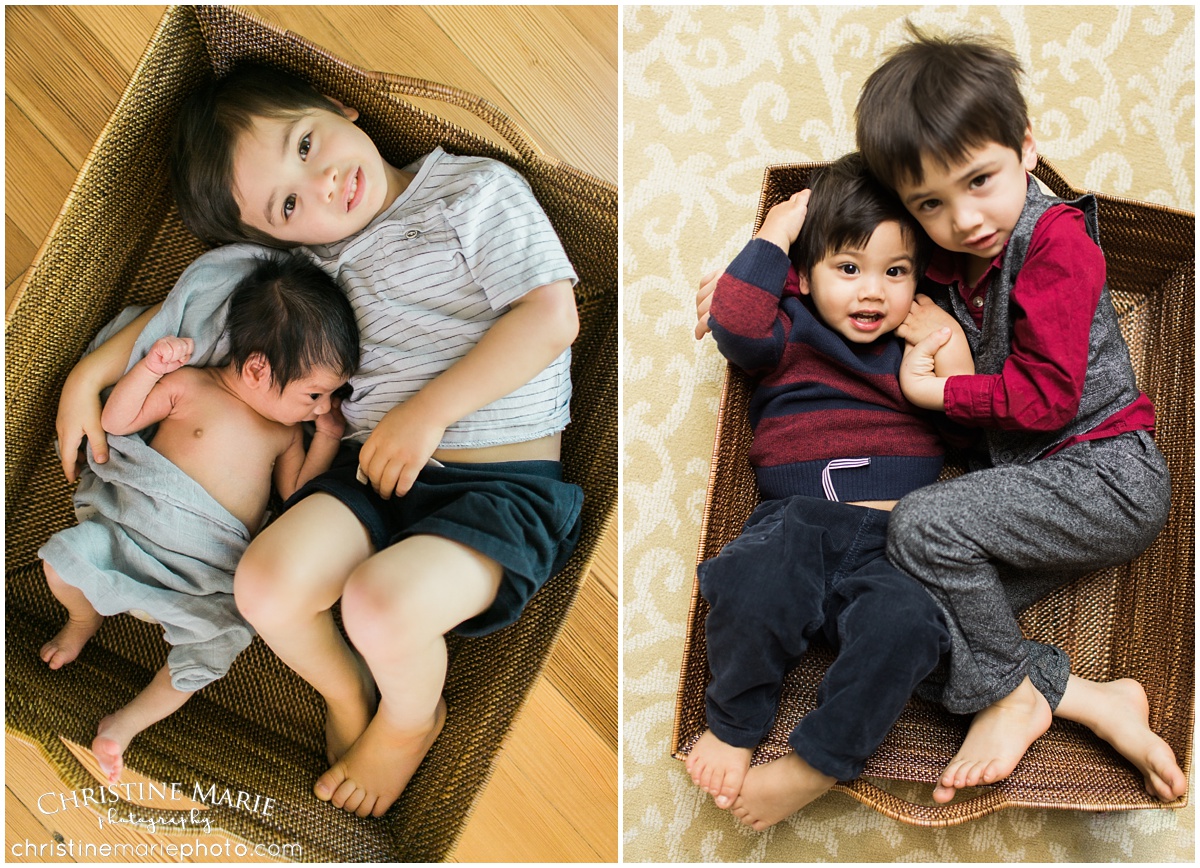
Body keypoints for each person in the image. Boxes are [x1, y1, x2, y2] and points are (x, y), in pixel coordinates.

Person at [164, 64, 581, 818]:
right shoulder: (303, 273)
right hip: (374, 476)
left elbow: (552, 317)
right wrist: (92, 373)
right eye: (288, 204)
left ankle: (410, 716)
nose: (321, 184)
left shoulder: (472, 192)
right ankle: (347, 685)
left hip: (501, 488)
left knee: (379, 606)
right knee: (264, 583)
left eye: (306, 143)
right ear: (274, 236)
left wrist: (426, 413)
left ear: (338, 104)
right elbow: (182, 309)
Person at [855, 26, 1186, 804]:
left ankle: (1008, 695)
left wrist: (940, 394)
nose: (965, 219)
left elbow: (1048, 400)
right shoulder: (944, 263)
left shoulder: (1056, 242)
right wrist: (777, 253)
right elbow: (850, 235)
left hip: (1107, 475)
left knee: (923, 525)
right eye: (930, 204)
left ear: (1027, 148)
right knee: (898, 625)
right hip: (1033, 496)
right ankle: (1091, 699)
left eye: (980, 181)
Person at [688, 153, 969, 831]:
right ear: (804, 277)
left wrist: (950, 347)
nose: (872, 291)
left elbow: (974, 438)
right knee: (744, 588)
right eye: (848, 268)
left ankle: (815, 763)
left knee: (910, 632)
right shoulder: (791, 326)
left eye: (894, 272)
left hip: (896, 543)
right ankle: (734, 724)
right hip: (794, 523)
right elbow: (736, 325)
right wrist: (774, 234)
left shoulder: (919, 339)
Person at [39, 252, 358, 785]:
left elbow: (297, 496)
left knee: (213, 650)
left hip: (205, 578)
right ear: (258, 369)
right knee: (60, 562)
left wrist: (325, 440)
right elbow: (117, 421)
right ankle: (82, 617)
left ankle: (125, 724)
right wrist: (151, 368)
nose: (323, 408)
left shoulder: (284, 434)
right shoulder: (191, 385)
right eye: (315, 395)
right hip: (129, 537)